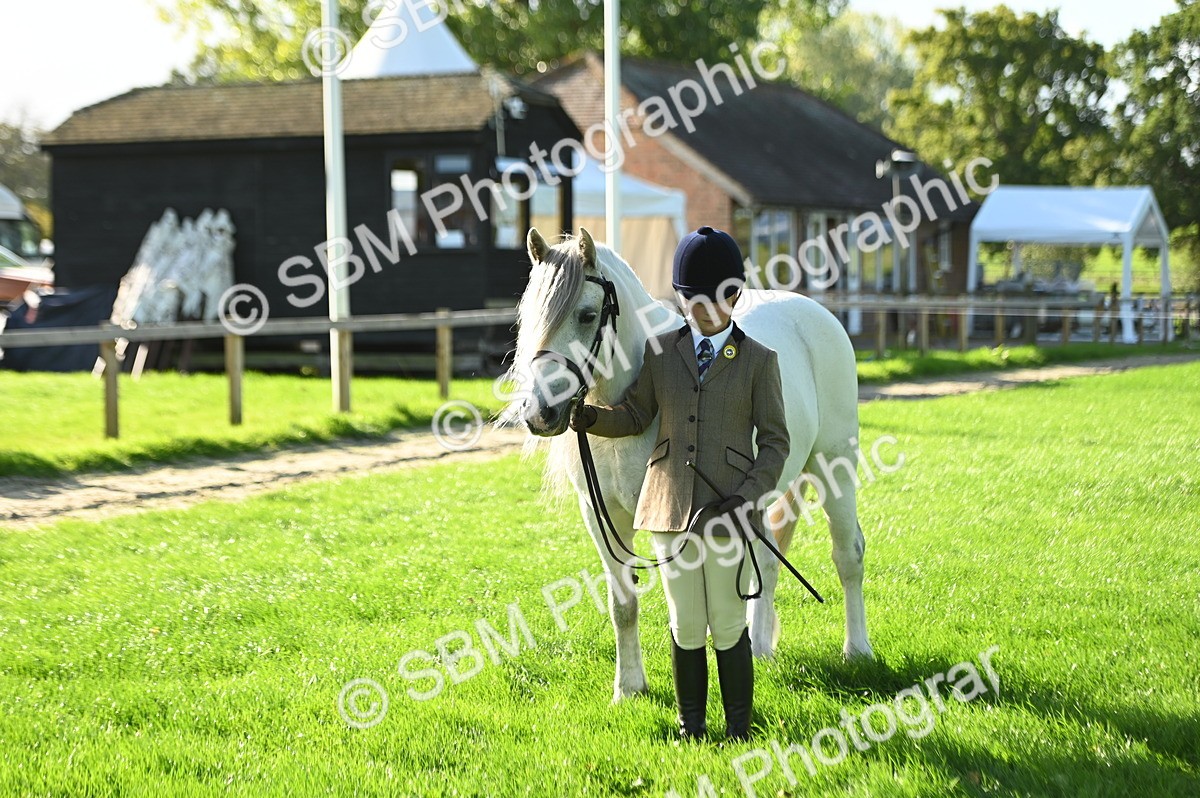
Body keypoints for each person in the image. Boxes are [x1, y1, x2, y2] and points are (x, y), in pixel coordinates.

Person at [569, 226, 789, 741]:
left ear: (736, 295)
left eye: (719, 298)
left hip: (730, 511)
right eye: (694, 299)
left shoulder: (760, 361)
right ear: (681, 298)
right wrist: (592, 419)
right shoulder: (661, 352)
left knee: (728, 622)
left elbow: (775, 443)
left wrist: (747, 498)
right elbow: (635, 414)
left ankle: (739, 728)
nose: (706, 310)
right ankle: (692, 727)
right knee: (685, 622)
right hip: (669, 509)